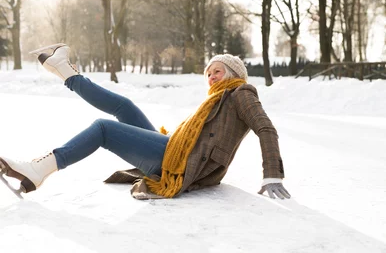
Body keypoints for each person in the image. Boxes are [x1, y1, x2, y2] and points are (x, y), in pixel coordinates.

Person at [0, 44, 290, 200]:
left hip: (182, 164)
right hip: (177, 152)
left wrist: (272, 174)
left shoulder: (241, 92)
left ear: (233, 73)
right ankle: (64, 70)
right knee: (125, 106)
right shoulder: (217, 98)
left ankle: (38, 170)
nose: (212, 77)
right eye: (209, 73)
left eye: (218, 72)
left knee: (104, 129)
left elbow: (265, 128)